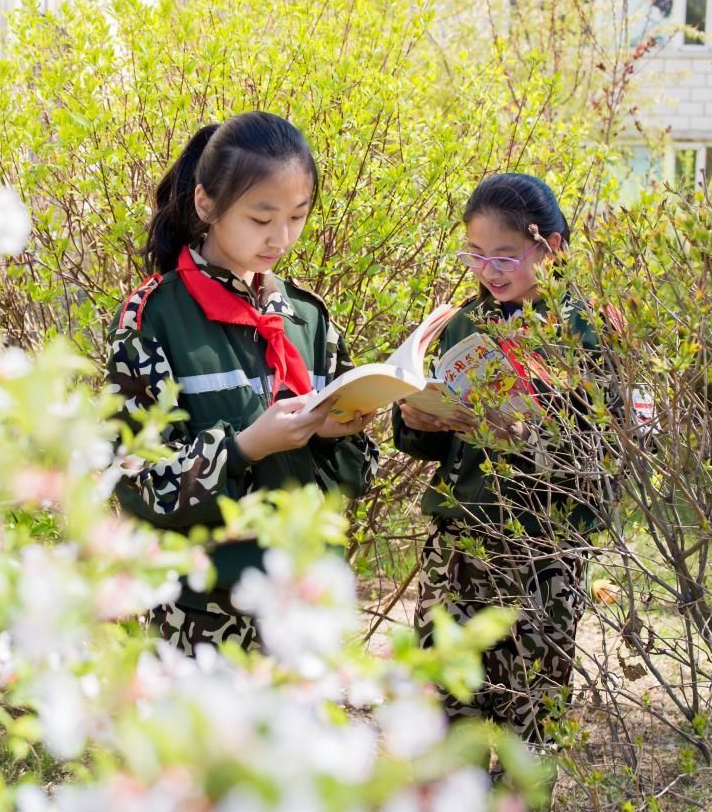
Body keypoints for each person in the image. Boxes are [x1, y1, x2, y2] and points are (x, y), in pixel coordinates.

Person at [106, 111, 378, 655]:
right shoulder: (155, 319)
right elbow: (136, 480)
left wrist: (344, 433)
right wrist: (246, 446)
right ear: (206, 204)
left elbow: (358, 473)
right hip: (202, 617)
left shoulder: (306, 317)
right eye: (261, 219)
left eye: (298, 217)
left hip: (302, 607)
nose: (281, 237)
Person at [393, 172, 622, 746]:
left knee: (531, 719)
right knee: (449, 711)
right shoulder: (464, 323)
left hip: (541, 547)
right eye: (475, 255)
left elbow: (613, 450)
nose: (489, 271)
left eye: (505, 255)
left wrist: (532, 432)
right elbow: (440, 446)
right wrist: (415, 418)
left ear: (551, 248)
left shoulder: (589, 331)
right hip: (461, 544)